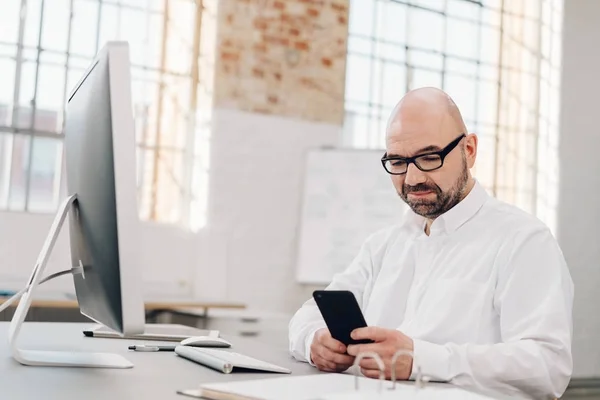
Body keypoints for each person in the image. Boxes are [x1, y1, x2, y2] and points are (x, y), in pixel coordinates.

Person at [288, 87, 574, 399]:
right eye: (397, 162)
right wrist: (315, 342)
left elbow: (548, 366)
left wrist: (421, 361)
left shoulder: (523, 241)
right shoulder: (383, 246)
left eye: (428, 157)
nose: (411, 179)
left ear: (469, 150)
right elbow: (307, 315)